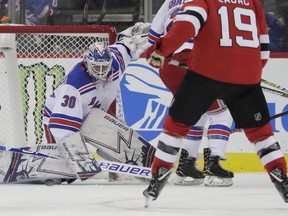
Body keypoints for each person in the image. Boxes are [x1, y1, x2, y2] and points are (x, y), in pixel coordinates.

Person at [143, 0, 288, 205]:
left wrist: (160, 50)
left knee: (176, 125)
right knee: (261, 133)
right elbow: (263, 46)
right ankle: (283, 180)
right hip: (247, 76)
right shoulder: (253, 2)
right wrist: (249, 73)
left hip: (205, 73)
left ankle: (158, 178)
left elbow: (187, 26)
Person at [42, 22, 150, 182]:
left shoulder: (116, 63)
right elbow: (61, 128)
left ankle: (136, 170)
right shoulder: (75, 85)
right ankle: (51, 165)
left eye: (104, 67)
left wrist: (136, 34)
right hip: (59, 118)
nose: (101, 72)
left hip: (93, 114)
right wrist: (78, 158)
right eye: (96, 67)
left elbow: (126, 45)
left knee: (118, 138)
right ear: (87, 63)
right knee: (63, 175)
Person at [148, 0, 234, 186]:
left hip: (169, 65)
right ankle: (214, 164)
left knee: (196, 109)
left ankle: (186, 166)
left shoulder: (170, 1)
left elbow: (153, 36)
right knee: (221, 112)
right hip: (199, 58)